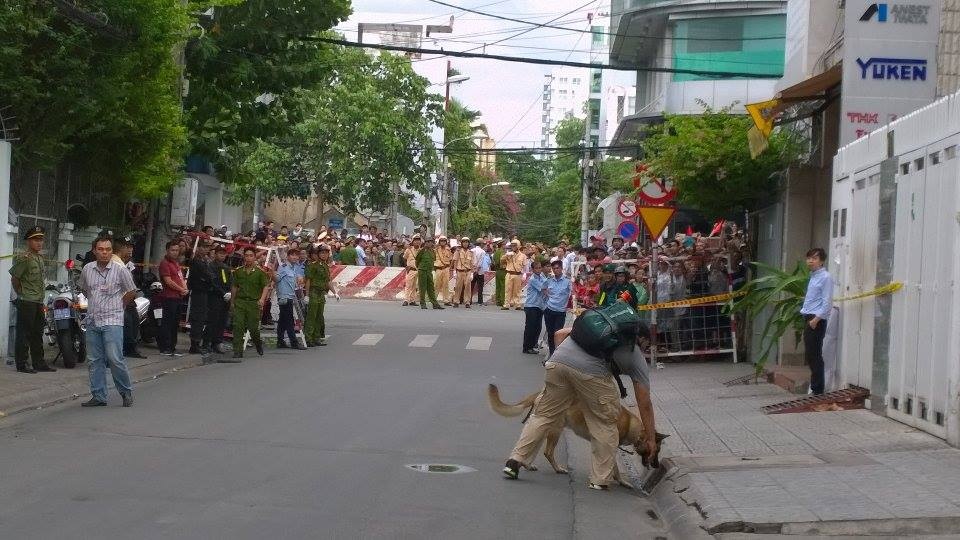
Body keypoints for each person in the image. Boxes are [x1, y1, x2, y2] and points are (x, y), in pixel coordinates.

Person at [502, 323, 658, 489]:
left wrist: (566, 362)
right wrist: (651, 437)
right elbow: (645, 403)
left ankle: (515, 461)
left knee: (543, 415)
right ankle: (600, 480)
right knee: (605, 423)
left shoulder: (599, 328)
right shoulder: (635, 356)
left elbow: (559, 333)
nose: (646, 348)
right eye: (647, 344)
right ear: (641, 338)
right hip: (592, 373)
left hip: (558, 362)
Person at [77, 237, 137, 407]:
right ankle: (98, 395)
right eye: (101, 249)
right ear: (94, 251)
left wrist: (120, 305)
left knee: (114, 358)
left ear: (112, 251)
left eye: (108, 249)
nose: (104, 252)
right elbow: (85, 289)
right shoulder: (88, 269)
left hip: (113, 320)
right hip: (93, 320)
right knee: (94, 360)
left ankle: (126, 392)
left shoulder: (120, 269)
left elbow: (131, 291)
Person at [10, 226, 55, 373]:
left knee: (37, 333)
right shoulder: (25, 258)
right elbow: (15, 278)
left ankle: (39, 362)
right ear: (28, 241)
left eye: (41, 239)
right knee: (24, 334)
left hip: (38, 301)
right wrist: (21, 293)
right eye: (36, 239)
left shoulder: (39, 258)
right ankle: (22, 364)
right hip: (27, 301)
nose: (39, 242)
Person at [801, 248, 833, 395]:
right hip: (809, 317)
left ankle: (817, 389)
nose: (810, 261)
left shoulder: (826, 277)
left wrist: (816, 319)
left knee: (814, 354)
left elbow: (827, 302)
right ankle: (816, 387)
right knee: (810, 354)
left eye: (814, 258)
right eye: (809, 258)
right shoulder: (813, 276)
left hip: (816, 319)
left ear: (821, 261)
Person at [230, 247, 270, 360]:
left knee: (253, 328)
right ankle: (237, 351)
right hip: (240, 302)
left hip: (253, 303)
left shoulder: (260, 272)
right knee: (238, 326)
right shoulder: (238, 271)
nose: (248, 258)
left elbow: (266, 286)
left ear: (254, 257)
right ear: (244, 257)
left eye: (251, 255)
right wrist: (232, 302)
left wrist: (262, 299)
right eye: (246, 255)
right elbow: (234, 287)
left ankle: (258, 343)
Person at [115, 239, 146, 360]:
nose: (129, 251)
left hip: (129, 297)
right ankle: (126, 348)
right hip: (119, 298)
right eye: (127, 248)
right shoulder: (117, 264)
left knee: (134, 319)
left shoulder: (129, 264)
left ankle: (132, 347)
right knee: (126, 322)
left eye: (131, 249)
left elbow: (134, 281)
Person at [157, 240, 188, 357]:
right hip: (169, 297)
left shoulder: (176, 263)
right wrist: (181, 289)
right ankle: (165, 347)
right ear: (167, 250)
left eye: (177, 250)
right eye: (173, 250)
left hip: (178, 297)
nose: (175, 252)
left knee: (175, 324)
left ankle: (172, 347)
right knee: (167, 323)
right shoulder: (164, 263)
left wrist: (184, 288)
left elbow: (180, 277)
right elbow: (168, 281)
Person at [304, 245, 339, 346]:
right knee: (311, 316)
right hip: (313, 292)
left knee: (319, 316)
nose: (324, 255)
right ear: (318, 254)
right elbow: (308, 280)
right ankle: (308, 338)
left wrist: (335, 293)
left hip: (321, 293)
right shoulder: (313, 265)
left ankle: (317, 338)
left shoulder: (325, 266)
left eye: (326, 253)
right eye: (322, 253)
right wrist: (307, 295)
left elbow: (328, 281)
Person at [187, 241, 215, 357]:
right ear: (198, 248)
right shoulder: (196, 261)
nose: (205, 250)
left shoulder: (205, 261)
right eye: (203, 247)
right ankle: (194, 344)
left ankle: (197, 343)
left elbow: (210, 275)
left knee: (202, 318)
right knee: (197, 318)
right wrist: (209, 277)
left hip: (204, 292)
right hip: (198, 292)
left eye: (207, 248)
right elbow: (207, 275)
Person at [275, 248, 306, 349]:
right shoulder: (283, 267)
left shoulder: (293, 267)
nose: (295, 257)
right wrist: (271, 272)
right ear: (288, 256)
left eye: (296, 255)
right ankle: (294, 343)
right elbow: (277, 279)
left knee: (283, 320)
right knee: (289, 320)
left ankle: (280, 341)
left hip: (290, 296)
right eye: (292, 255)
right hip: (284, 297)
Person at [206, 245, 232, 354]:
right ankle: (207, 343)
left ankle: (218, 342)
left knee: (222, 320)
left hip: (225, 298)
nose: (222, 255)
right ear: (215, 254)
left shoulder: (226, 267)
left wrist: (230, 293)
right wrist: (223, 293)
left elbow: (230, 281)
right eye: (220, 253)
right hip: (215, 296)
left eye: (224, 253)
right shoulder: (211, 266)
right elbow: (213, 281)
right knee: (213, 321)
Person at [542, 260, 572, 355]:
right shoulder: (549, 280)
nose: (555, 270)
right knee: (550, 333)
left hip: (560, 311)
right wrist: (547, 299)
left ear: (561, 269)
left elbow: (573, 293)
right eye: (554, 268)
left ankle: (557, 354)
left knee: (558, 333)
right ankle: (551, 353)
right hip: (549, 310)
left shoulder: (567, 281)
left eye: (557, 268)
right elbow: (543, 289)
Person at [522, 259, 546, 354]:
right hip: (531, 305)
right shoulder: (533, 279)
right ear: (532, 269)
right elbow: (544, 288)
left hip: (539, 306)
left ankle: (533, 343)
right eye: (537, 268)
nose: (539, 270)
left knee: (537, 327)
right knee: (530, 327)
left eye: (540, 268)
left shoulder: (541, 277)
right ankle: (527, 347)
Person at [416, 237, 444, 310]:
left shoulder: (432, 251)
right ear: (425, 243)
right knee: (422, 287)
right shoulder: (421, 250)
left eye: (431, 242)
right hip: (422, 270)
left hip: (429, 271)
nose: (430, 243)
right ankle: (422, 303)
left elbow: (433, 260)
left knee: (431, 288)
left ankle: (434, 303)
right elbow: (417, 260)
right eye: (428, 242)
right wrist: (420, 268)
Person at [502, 240, 526, 310]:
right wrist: (506, 255)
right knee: (507, 290)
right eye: (512, 245)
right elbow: (501, 260)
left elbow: (525, 266)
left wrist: (524, 274)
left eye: (514, 245)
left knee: (517, 290)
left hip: (518, 274)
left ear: (518, 246)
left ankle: (517, 304)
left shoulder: (523, 256)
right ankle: (506, 304)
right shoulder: (509, 254)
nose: (513, 247)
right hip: (509, 273)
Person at [452, 237, 474, 308]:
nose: (465, 243)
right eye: (464, 242)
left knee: (468, 286)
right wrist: (454, 271)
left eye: (467, 242)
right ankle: (456, 301)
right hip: (459, 271)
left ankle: (467, 302)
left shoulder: (471, 252)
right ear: (462, 243)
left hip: (468, 271)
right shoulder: (458, 251)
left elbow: (472, 263)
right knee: (458, 286)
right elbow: (455, 261)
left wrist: (472, 273)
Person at [433, 236, 453, 305]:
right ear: (439, 242)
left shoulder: (448, 250)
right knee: (436, 284)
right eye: (441, 241)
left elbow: (451, 260)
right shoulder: (436, 250)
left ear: (446, 242)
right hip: (438, 268)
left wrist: (450, 267)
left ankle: (446, 300)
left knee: (446, 285)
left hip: (446, 268)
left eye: (444, 241)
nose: (443, 242)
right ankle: (434, 299)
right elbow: (433, 258)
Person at [402, 235, 421, 307]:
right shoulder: (408, 250)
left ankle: (412, 300)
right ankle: (406, 300)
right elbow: (404, 258)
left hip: (418, 270)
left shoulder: (421, 250)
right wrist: (406, 266)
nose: (417, 241)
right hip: (411, 270)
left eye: (418, 240)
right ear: (413, 241)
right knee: (408, 285)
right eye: (415, 240)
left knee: (414, 286)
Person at [492, 238, 506, 307]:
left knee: (498, 286)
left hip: (497, 270)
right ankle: (502, 301)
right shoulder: (502, 252)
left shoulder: (495, 252)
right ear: (502, 245)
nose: (505, 246)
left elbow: (493, 261)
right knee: (503, 286)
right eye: (504, 244)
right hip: (502, 270)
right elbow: (502, 262)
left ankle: (497, 301)